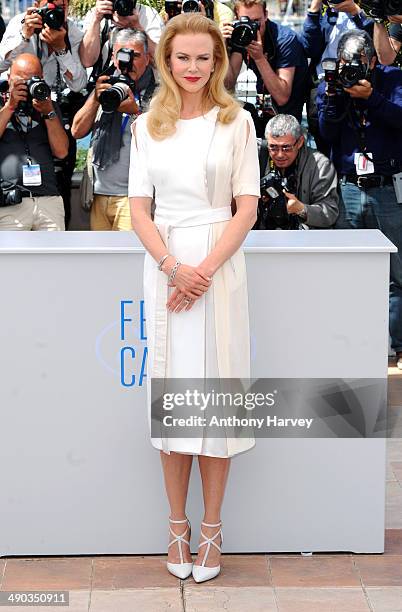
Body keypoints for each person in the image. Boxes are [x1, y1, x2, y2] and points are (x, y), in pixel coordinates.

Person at [128, 13, 259, 583]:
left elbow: (246, 207)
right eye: (182, 57)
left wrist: (201, 272)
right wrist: (173, 268)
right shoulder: (145, 126)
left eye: (203, 57)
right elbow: (138, 208)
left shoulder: (238, 122)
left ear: (217, 61)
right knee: (173, 400)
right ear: (166, 60)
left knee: (215, 402)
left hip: (218, 269)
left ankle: (212, 529)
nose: (192, 68)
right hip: (165, 267)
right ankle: (175, 524)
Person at [317, 29, 402, 369]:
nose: (352, 70)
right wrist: (335, 96)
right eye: (346, 64)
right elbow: (325, 132)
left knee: (396, 273)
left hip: (387, 185)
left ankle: (393, 345)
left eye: (359, 65)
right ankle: (351, 340)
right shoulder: (333, 82)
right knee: (349, 268)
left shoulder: (393, 78)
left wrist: (371, 99)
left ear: (371, 62)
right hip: (350, 186)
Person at [0, 0, 88, 229]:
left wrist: (61, 47)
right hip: (15, 106)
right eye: (49, 4)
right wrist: (24, 35)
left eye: (61, 5)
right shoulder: (18, 24)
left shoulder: (72, 31)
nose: (54, 11)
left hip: (51, 107)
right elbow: (1, 63)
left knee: (62, 181)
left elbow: (79, 82)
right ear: (38, 3)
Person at [72, 29, 155, 230]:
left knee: (127, 259)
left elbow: (164, 141)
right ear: (112, 57)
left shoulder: (158, 92)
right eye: (122, 55)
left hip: (135, 197)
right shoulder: (105, 86)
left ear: (148, 58)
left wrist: (136, 113)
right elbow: (77, 131)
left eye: (134, 55)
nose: (127, 62)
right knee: (100, 260)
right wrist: (95, 98)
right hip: (98, 194)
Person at [0, 54, 68, 230]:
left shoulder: (47, 105)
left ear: (41, 78)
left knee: (54, 257)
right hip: (11, 201)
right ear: (9, 78)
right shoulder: (2, 105)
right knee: (11, 258)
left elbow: (61, 151)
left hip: (48, 200)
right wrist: (10, 107)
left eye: (32, 80)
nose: (26, 85)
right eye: (20, 80)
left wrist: (49, 113)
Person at [221, 0, 308, 135]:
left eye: (256, 22)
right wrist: (221, 48)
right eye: (246, 22)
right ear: (236, 18)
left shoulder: (285, 40)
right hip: (262, 110)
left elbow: (282, 97)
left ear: (266, 15)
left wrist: (259, 58)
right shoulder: (241, 35)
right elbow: (228, 84)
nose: (252, 28)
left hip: (287, 117)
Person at [299, 0, 373, 154]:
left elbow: (375, 43)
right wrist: (314, 9)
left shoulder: (365, 9)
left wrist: (355, 11)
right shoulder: (326, 15)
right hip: (325, 81)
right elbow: (309, 48)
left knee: (356, 135)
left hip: (358, 81)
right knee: (321, 134)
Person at [257, 114, 339, 229]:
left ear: (300, 142)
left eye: (286, 147)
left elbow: (330, 213)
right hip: (263, 232)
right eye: (273, 147)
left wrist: (301, 209)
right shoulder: (257, 154)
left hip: (303, 237)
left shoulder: (320, 164)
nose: (279, 155)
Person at [79, 0, 164, 71]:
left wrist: (137, 27)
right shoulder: (97, 14)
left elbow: (161, 62)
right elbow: (87, 61)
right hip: (104, 84)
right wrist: (96, 20)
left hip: (140, 86)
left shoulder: (149, 15)